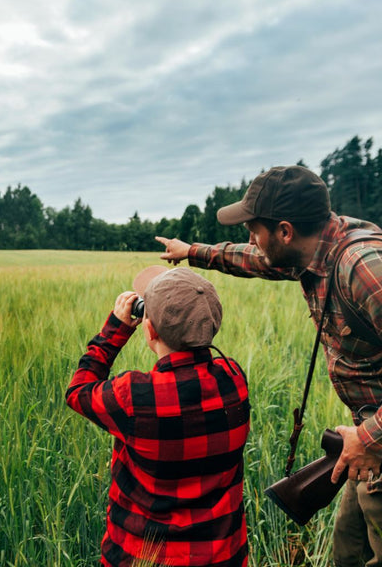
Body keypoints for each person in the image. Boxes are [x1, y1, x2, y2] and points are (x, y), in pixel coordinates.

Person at [156, 165, 382, 567]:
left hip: (373, 439)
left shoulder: (363, 268)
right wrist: (192, 252)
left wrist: (370, 437)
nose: (250, 238)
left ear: (284, 231)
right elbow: (255, 260)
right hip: (368, 442)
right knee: (348, 552)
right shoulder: (313, 250)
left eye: (254, 229)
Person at [65, 265, 250, 566]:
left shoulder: (133, 397)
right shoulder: (234, 378)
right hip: (222, 557)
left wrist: (115, 329)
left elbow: (78, 390)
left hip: (139, 557)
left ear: (149, 329)